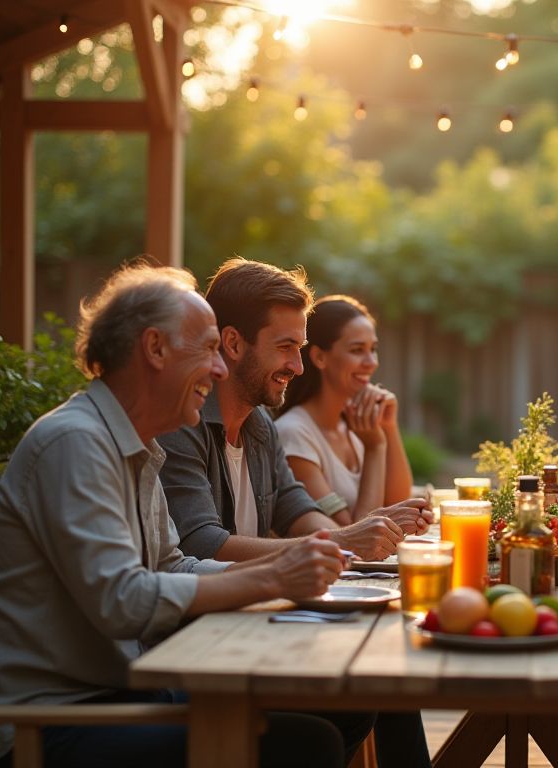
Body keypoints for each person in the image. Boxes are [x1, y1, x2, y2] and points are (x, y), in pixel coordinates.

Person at [0, 263, 365, 768]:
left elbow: (174, 566)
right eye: (209, 349)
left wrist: (282, 572)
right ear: (155, 348)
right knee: (304, 743)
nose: (220, 370)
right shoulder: (75, 443)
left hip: (127, 692)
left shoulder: (136, 445)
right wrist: (272, 577)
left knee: (345, 705)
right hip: (54, 723)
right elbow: (123, 600)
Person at [157, 258, 431, 767]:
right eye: (286, 347)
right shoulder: (183, 426)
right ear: (233, 343)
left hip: (250, 626)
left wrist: (351, 537)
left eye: (300, 349)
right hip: (202, 646)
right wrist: (341, 542)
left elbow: (298, 508)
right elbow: (201, 543)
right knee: (350, 707)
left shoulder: (259, 425)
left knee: (384, 682)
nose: (298, 366)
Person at [275, 295, 413, 524]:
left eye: (373, 349)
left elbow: (398, 503)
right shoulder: (294, 434)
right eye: (357, 350)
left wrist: (388, 427)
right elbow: (354, 535)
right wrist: (375, 447)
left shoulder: (358, 424)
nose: (372, 362)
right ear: (319, 357)